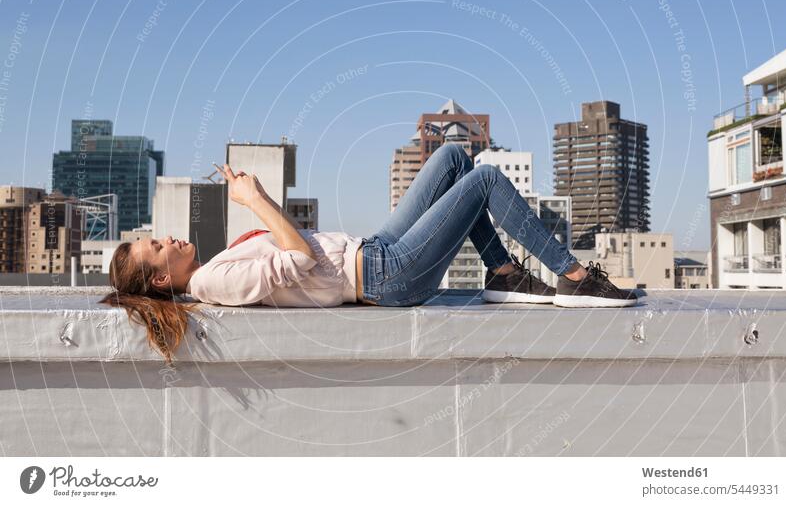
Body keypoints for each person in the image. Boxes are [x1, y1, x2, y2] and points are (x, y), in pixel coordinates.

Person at [101, 143, 636, 362]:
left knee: (453, 156)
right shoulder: (210, 284)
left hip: (378, 250)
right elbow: (301, 261)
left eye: (160, 236)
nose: (169, 239)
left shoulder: (213, 267)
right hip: (389, 277)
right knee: (488, 179)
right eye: (158, 247)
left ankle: (502, 273)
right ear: (162, 280)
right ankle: (571, 275)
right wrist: (256, 199)